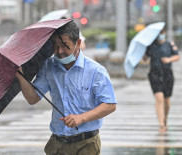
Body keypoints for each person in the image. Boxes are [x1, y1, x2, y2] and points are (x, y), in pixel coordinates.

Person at [16, 20, 117, 154]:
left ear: (78, 43)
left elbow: (110, 105)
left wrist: (81, 117)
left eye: (65, 46)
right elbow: (33, 98)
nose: (59, 51)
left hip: (86, 144)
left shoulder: (96, 71)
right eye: (55, 46)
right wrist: (20, 75)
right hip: (57, 144)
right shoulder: (49, 67)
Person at [143, 29, 180, 134]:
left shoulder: (169, 44)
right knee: (159, 98)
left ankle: (165, 119)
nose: (160, 36)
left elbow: (177, 56)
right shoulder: (151, 45)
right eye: (158, 34)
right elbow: (145, 59)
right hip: (155, 73)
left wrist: (169, 60)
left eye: (162, 33)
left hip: (167, 73)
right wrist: (143, 52)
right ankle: (161, 124)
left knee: (167, 100)